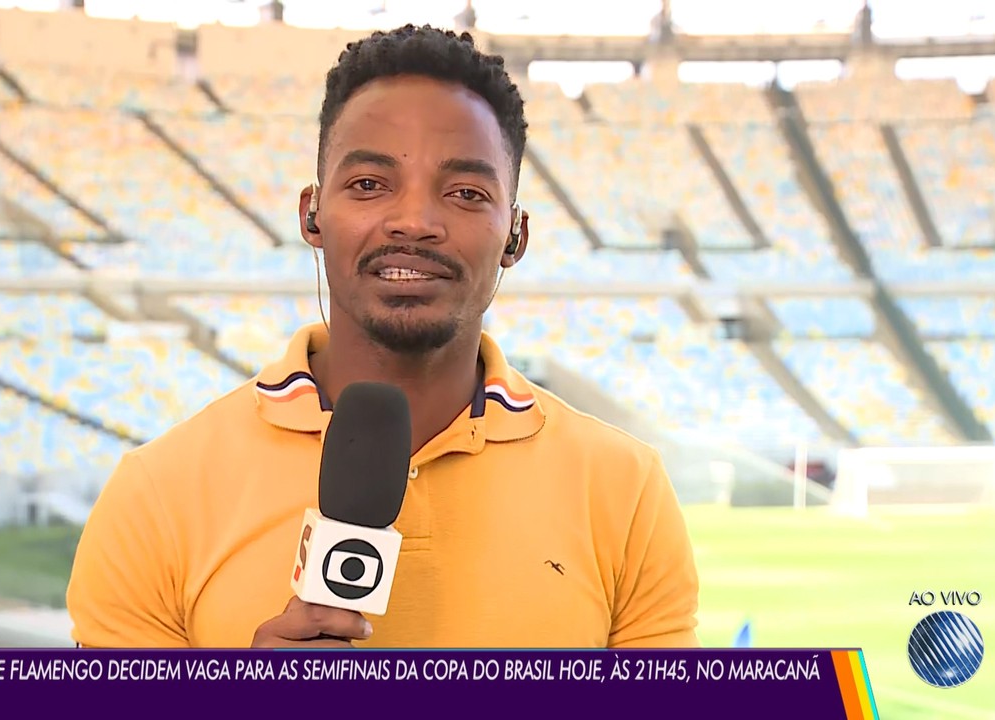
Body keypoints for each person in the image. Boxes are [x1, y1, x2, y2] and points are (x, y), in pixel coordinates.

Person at [67, 24, 700, 649]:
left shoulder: (625, 490)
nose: (415, 221)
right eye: (369, 184)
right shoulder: (157, 494)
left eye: (465, 192)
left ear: (516, 236)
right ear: (312, 215)